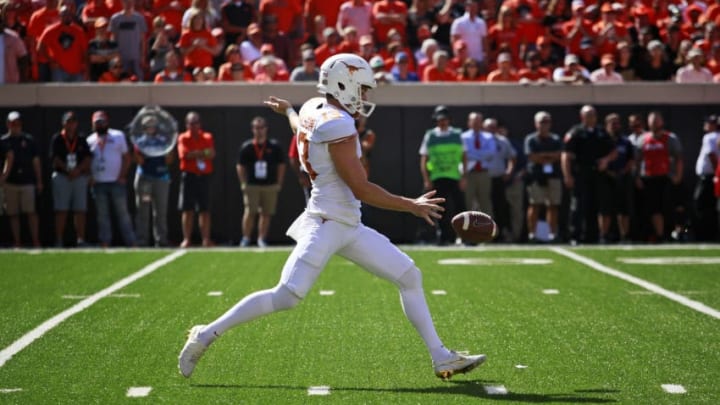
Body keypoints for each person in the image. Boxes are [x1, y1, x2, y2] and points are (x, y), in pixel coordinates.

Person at [178, 53, 485, 381]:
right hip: (327, 222)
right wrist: (412, 205)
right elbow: (361, 187)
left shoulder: (312, 107)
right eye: (362, 89)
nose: (365, 97)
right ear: (344, 83)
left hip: (347, 223)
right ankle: (205, 334)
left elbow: (300, 126)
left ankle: (440, 357)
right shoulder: (338, 124)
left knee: (409, 276)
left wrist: (289, 111)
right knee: (286, 296)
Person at [561, 105, 616, 244]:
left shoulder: (602, 132)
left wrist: (606, 160)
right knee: (578, 206)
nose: (591, 118)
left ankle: (597, 236)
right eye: (588, 115)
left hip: (599, 174)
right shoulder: (576, 132)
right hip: (581, 174)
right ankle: (575, 235)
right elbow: (566, 155)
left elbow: (614, 151)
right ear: (582, 117)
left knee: (600, 205)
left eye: (593, 115)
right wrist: (567, 175)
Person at [87, 110, 136, 247]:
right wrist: (91, 177)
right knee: (102, 216)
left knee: (123, 214)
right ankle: (105, 242)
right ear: (93, 124)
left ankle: (131, 242)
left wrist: (122, 176)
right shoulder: (89, 140)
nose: (100, 125)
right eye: (97, 122)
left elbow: (127, 158)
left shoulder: (118, 135)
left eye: (102, 121)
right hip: (98, 183)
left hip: (116, 182)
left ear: (107, 122)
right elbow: (87, 162)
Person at [419, 105, 466, 245]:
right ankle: (444, 237)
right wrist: (426, 179)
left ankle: (463, 236)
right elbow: (424, 159)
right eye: (439, 120)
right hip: (437, 178)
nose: (442, 122)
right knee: (440, 210)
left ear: (449, 120)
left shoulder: (458, 134)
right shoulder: (430, 136)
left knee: (460, 207)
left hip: (455, 177)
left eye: (444, 119)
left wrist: (464, 177)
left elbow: (464, 157)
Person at [237, 117, 286, 247]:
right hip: (252, 185)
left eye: (261, 127)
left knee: (266, 213)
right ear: (252, 129)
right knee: (250, 211)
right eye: (256, 128)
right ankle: (246, 238)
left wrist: (279, 183)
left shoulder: (274, 146)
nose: (259, 131)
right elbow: (240, 166)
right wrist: (243, 183)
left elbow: (281, 165)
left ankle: (261, 239)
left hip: (270, 185)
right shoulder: (247, 147)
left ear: (266, 129)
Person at [634, 111, 684, 242]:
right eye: (652, 121)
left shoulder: (670, 138)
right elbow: (638, 160)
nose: (654, 124)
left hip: (665, 177)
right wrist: (637, 176)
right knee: (652, 208)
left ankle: (674, 233)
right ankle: (659, 235)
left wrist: (678, 175)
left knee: (668, 207)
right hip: (649, 178)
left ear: (662, 122)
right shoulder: (643, 139)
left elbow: (678, 158)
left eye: (656, 121)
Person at [49, 111, 91, 247]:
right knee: (61, 210)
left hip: (78, 177)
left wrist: (77, 170)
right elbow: (55, 158)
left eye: (73, 122)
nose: (71, 124)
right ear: (63, 123)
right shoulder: (57, 139)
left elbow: (87, 158)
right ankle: (59, 240)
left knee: (80, 210)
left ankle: (81, 239)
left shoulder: (81, 139)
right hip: (62, 176)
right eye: (68, 122)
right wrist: (68, 170)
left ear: (76, 124)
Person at [2, 111, 42, 247]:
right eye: (13, 123)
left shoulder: (29, 140)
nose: (16, 126)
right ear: (8, 124)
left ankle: (36, 241)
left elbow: (36, 162)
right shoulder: (3, 141)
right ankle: (17, 243)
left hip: (27, 182)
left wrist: (39, 181)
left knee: (31, 212)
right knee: (13, 214)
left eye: (18, 123)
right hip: (10, 183)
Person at [133, 115, 173, 247]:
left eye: (153, 125)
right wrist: (140, 153)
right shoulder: (140, 142)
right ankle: (142, 240)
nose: (151, 128)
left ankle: (161, 240)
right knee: (143, 210)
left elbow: (169, 161)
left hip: (161, 179)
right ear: (144, 128)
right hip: (145, 179)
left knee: (161, 212)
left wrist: (169, 151)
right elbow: (139, 161)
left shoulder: (164, 142)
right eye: (148, 126)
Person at [177, 111, 215, 248]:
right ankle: (186, 239)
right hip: (189, 176)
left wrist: (196, 153)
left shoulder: (207, 136)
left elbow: (211, 153)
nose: (194, 126)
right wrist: (202, 152)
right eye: (191, 123)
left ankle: (206, 239)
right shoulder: (182, 138)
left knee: (204, 209)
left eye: (196, 123)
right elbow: (184, 155)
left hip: (203, 177)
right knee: (187, 209)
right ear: (187, 124)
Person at [525, 111, 563, 243]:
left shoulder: (556, 139)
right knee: (535, 205)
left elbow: (559, 155)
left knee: (553, 206)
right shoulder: (531, 139)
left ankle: (552, 234)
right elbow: (532, 157)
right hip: (536, 176)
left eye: (547, 122)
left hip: (553, 176)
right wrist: (549, 156)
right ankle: (532, 234)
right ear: (536, 124)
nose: (544, 125)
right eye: (542, 122)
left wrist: (543, 156)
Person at [597, 113, 634, 243]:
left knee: (623, 209)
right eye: (612, 123)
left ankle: (625, 236)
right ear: (606, 125)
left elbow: (631, 159)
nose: (615, 126)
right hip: (606, 178)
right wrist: (608, 172)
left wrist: (623, 171)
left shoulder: (625, 141)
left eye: (617, 123)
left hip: (623, 177)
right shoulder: (601, 140)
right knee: (605, 209)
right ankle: (604, 235)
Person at [461, 112, 493, 217]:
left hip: (483, 174)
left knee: (485, 203)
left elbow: (491, 154)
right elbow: (464, 155)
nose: (476, 123)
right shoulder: (463, 137)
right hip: (468, 174)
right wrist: (480, 153)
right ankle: (465, 232)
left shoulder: (488, 137)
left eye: (478, 121)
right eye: (474, 121)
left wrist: (472, 154)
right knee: (467, 203)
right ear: (469, 122)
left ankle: (486, 232)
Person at [694, 115, 719, 241]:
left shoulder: (710, 137)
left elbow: (712, 155)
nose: (706, 124)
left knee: (701, 205)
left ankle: (705, 234)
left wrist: (716, 174)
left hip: (709, 177)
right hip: (713, 176)